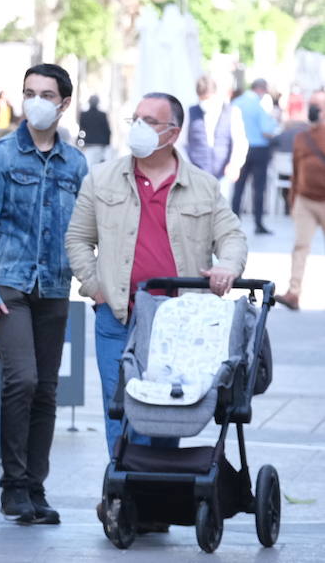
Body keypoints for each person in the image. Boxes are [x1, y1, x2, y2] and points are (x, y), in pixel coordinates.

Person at [65, 92, 245, 470]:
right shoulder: (102, 179)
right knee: (123, 411)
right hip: (119, 315)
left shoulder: (203, 186)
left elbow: (231, 237)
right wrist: (96, 287)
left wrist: (227, 266)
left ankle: (156, 494)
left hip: (175, 324)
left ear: (173, 132)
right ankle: (124, 492)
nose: (138, 128)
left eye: (149, 121)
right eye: (136, 119)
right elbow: (78, 239)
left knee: (166, 413)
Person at [0, 63, 88, 525]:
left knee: (47, 391)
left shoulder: (75, 163)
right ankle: (12, 485)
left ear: (63, 103)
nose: (35, 100)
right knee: (23, 380)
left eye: (45, 93)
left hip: (54, 286)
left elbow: (83, 230)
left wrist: (92, 277)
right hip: (9, 284)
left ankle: (36, 487)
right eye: (29, 92)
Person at [283, 89, 325, 310]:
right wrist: (293, 199)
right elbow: (295, 170)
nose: (314, 110)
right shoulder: (302, 137)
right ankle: (293, 292)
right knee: (300, 246)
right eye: (313, 105)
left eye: (319, 106)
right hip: (306, 200)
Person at [183, 75, 248, 199]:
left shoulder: (232, 112)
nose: (205, 103)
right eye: (202, 99)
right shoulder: (190, 112)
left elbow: (240, 141)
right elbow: (182, 143)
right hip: (196, 174)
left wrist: (235, 164)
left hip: (222, 174)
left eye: (207, 98)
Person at [232, 78, 278, 234]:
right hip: (258, 149)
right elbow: (267, 131)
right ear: (262, 89)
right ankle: (258, 223)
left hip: (239, 148)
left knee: (239, 187)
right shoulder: (259, 107)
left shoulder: (236, 102)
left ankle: (234, 221)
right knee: (259, 188)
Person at [78, 95, 112, 166]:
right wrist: (107, 144)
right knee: (97, 166)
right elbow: (107, 131)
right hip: (99, 145)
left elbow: (81, 130)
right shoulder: (102, 115)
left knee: (88, 165)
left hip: (88, 144)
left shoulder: (84, 115)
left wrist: (80, 143)